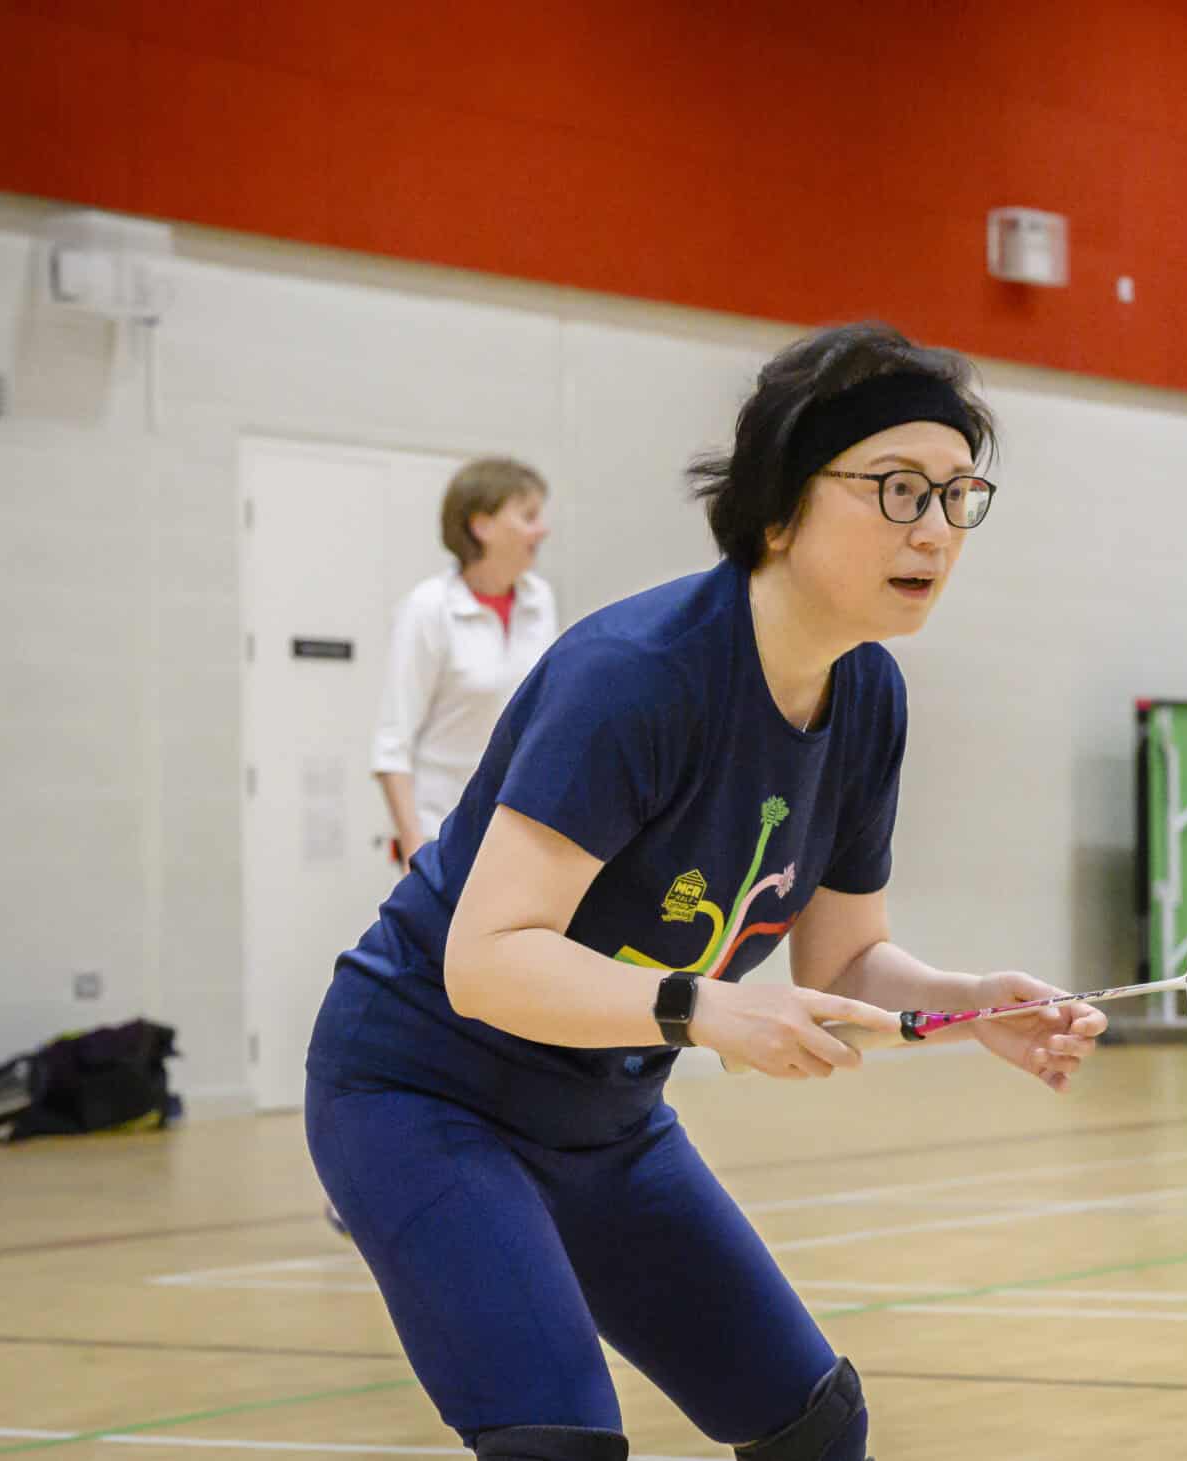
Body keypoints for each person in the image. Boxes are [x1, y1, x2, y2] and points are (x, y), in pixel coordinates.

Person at [303, 322, 1106, 1460]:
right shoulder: (635, 678)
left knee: (811, 1427)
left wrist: (974, 1004)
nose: (934, 529)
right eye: (895, 489)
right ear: (781, 503)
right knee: (558, 1444)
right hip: (425, 1099)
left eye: (956, 495)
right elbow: (485, 961)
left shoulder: (865, 696)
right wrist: (706, 1007)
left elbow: (841, 961)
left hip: (606, 1121)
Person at [372, 458, 559, 866]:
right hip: (441, 832)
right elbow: (392, 748)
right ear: (482, 526)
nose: (541, 529)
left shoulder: (540, 600)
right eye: (528, 516)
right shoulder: (428, 608)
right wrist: (414, 853)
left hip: (515, 831)